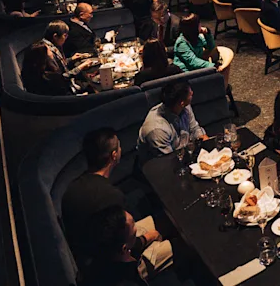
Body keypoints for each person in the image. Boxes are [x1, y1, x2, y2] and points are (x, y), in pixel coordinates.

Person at [61, 128, 172, 275]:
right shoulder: (112, 198)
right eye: (119, 146)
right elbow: (123, 249)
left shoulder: (72, 187)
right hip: (110, 270)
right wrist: (148, 238)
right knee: (178, 246)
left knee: (165, 222)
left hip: (88, 255)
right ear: (114, 156)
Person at [137, 81, 206, 163]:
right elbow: (168, 161)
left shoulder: (183, 106)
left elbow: (194, 129)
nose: (192, 93)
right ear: (182, 103)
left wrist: (207, 147)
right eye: (190, 93)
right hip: (160, 165)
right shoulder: (157, 130)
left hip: (184, 156)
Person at [77, 207, 148, 286]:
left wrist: (146, 238)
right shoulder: (129, 280)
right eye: (133, 225)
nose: (136, 227)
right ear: (124, 249)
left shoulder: (97, 252)